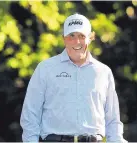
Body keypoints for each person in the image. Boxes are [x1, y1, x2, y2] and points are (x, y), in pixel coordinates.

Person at [20, 13, 127, 142]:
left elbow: (113, 120)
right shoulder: (45, 69)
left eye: (82, 36)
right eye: (71, 36)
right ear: (63, 38)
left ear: (91, 37)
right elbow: (30, 116)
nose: (77, 42)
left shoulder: (103, 72)